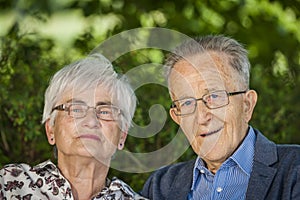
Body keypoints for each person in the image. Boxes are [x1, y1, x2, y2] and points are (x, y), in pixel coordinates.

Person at [140, 35, 300, 199]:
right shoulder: (160, 187)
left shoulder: (295, 170)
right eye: (187, 102)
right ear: (177, 117)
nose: (202, 117)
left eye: (215, 96)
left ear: (247, 105)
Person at [0, 54, 147, 200]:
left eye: (105, 111)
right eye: (76, 109)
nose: (90, 121)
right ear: (51, 129)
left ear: (122, 136)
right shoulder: (10, 185)